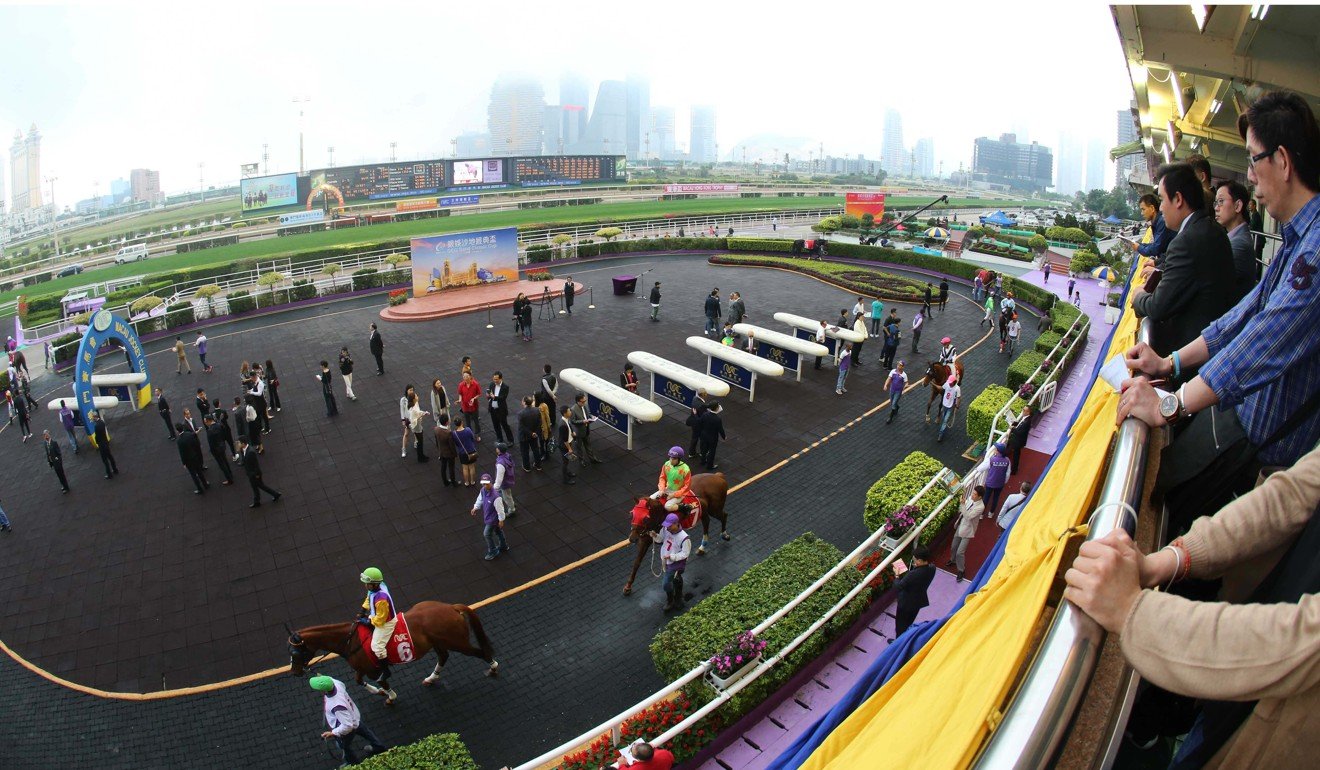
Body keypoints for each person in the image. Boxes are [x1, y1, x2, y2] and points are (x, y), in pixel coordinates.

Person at [1117, 90, 1320, 522]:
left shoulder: (1316, 250)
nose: (1249, 176)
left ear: (1281, 161)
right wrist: (1170, 364)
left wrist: (1169, 404)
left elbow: (1264, 343)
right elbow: (1245, 316)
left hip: (1260, 452)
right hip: (1240, 424)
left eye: (1252, 160)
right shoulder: (1297, 238)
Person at [1062, 446, 1320, 768]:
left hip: (1277, 730)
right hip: (1238, 676)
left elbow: (1306, 639)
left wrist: (1130, 609)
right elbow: (1295, 493)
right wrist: (1166, 561)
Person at [1131, 162, 1239, 356]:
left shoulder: (1186, 242)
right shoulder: (1212, 230)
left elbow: (1157, 307)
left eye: (1162, 200)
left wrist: (1138, 296)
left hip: (1190, 355)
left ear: (1178, 199)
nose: (1161, 208)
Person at [309, 675, 387, 766]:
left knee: (342, 746)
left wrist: (333, 733)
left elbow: (347, 726)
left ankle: (353, 763)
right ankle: (379, 747)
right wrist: (322, 678)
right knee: (365, 731)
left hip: (347, 726)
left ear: (324, 690)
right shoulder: (336, 684)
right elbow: (329, 679)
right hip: (354, 715)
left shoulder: (336, 706)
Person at [1214, 180, 1259, 298]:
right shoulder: (1237, 238)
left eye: (1221, 201)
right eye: (1216, 202)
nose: (1216, 208)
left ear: (1238, 206)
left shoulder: (1239, 245)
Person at [356, 567, 396, 679]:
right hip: (376, 615)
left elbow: (381, 619)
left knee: (377, 647)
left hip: (386, 623)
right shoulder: (375, 588)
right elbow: (368, 598)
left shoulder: (381, 599)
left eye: (367, 584)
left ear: (374, 584)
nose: (365, 586)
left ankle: (386, 670)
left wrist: (367, 621)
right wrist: (362, 611)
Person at [652, 513, 691, 612]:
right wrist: (655, 536)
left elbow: (685, 553)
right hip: (666, 560)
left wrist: (672, 557)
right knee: (675, 579)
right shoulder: (665, 529)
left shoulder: (684, 538)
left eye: (669, 526)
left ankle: (671, 600)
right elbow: (661, 539)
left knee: (666, 584)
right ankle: (678, 595)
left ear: (676, 523)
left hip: (675, 564)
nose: (667, 527)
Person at [894, 544, 936, 635]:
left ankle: (898, 644)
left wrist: (897, 575)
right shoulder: (932, 568)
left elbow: (898, 586)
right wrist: (916, 566)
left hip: (905, 603)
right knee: (908, 623)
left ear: (920, 560)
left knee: (900, 627)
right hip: (918, 602)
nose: (913, 561)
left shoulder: (913, 575)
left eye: (915, 560)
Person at [947, 485, 986, 582]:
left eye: (974, 494)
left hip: (968, 530)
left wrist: (963, 504)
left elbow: (968, 516)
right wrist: (963, 505)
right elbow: (962, 511)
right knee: (953, 546)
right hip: (961, 525)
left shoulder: (980, 507)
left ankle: (961, 570)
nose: (972, 495)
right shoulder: (970, 499)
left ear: (980, 497)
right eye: (972, 493)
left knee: (960, 552)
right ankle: (953, 560)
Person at [471, 473, 509, 560]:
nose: (485, 485)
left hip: (493, 519)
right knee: (498, 531)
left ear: (491, 482)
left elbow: (500, 510)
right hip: (489, 516)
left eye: (486, 483)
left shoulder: (496, 497)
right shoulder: (483, 490)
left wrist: (501, 520)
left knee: (487, 534)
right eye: (483, 484)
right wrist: (475, 507)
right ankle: (503, 546)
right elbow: (480, 499)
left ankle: (493, 551)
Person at [239, 436, 280, 507]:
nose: (238, 444)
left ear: (243, 443)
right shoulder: (244, 450)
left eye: (239, 443)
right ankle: (257, 501)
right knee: (255, 487)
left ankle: (275, 494)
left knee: (260, 486)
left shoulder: (250, 452)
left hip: (254, 474)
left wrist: (256, 474)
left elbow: (256, 464)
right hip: (251, 474)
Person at [1136, 192, 1176, 261]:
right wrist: (1139, 245)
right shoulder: (1157, 222)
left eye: (1143, 209)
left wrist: (1138, 248)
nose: (1142, 213)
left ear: (1152, 208)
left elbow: (1156, 249)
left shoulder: (1162, 222)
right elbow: (1155, 245)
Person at [651, 447, 693, 512]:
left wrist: (674, 495)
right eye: (670, 457)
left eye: (674, 458)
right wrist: (661, 490)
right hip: (667, 489)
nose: (671, 460)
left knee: (668, 506)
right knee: (650, 498)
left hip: (679, 493)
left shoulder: (686, 469)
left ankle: (684, 507)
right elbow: (662, 478)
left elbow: (687, 487)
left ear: (679, 459)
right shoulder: (666, 464)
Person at [176, 422, 210, 494]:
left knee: (193, 475)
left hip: (188, 460)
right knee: (199, 472)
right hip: (195, 456)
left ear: (177, 430)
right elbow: (195, 443)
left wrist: (184, 463)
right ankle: (205, 484)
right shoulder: (189, 434)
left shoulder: (179, 441)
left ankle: (200, 489)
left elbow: (182, 453)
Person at [203, 415, 234, 485]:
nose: (205, 423)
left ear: (208, 421)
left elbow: (211, 444)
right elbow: (224, 434)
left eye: (205, 422)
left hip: (216, 450)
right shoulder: (219, 425)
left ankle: (229, 479)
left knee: (222, 465)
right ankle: (230, 474)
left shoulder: (210, 431)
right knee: (225, 461)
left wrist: (212, 451)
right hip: (222, 445)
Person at [572, 392, 602, 464]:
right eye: (583, 401)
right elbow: (573, 421)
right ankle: (581, 460)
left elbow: (587, 413)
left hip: (586, 430)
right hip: (579, 432)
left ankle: (592, 459)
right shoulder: (573, 409)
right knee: (579, 447)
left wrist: (591, 417)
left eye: (585, 401)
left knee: (588, 445)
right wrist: (583, 421)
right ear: (578, 401)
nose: (584, 403)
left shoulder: (584, 406)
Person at [516, 396, 543, 472]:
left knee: (525, 451)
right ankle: (538, 465)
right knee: (536, 450)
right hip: (534, 435)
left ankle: (527, 467)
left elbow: (522, 427)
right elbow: (539, 423)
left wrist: (530, 433)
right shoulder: (537, 410)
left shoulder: (521, 414)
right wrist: (534, 433)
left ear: (524, 402)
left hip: (524, 436)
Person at [696, 403, 726, 471]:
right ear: (716, 408)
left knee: (704, 449)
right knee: (712, 451)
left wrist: (695, 414)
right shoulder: (718, 419)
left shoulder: (705, 414)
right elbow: (720, 429)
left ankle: (703, 461)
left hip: (704, 435)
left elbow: (699, 421)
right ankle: (710, 465)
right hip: (713, 438)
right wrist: (724, 437)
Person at [983, 442, 1011, 513]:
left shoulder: (992, 459)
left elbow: (981, 468)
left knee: (986, 497)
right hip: (1000, 483)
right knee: (996, 498)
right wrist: (1004, 481)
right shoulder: (1007, 460)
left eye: (995, 449)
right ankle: (991, 513)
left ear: (998, 451)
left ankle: (982, 514)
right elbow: (1008, 473)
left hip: (990, 482)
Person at [451, 416, 479, 487]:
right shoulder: (468, 430)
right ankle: (472, 481)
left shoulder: (454, 433)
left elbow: (456, 443)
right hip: (471, 450)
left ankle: (466, 482)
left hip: (462, 452)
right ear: (462, 422)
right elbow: (472, 438)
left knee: (465, 468)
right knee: (472, 467)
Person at [1005, 404, 1034, 470]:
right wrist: (1015, 424)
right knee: (1016, 455)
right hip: (1019, 441)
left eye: (1024, 410)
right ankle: (1014, 469)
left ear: (1028, 412)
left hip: (1017, 441)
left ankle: (1012, 469)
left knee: (1008, 453)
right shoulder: (1026, 419)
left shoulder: (1026, 421)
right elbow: (1019, 425)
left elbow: (1019, 432)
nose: (1022, 411)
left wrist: (1012, 428)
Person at [486, 371, 512, 443]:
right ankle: (499, 438)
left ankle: (510, 440)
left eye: (496, 379)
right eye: (494, 379)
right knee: (496, 425)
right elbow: (490, 394)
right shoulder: (492, 384)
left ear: (501, 379)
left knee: (505, 425)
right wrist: (488, 396)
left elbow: (503, 398)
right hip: (493, 409)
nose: (495, 381)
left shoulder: (505, 387)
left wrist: (494, 397)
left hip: (501, 410)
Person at [92, 410, 118, 479]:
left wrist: (97, 442)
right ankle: (115, 469)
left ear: (94, 417)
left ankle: (109, 474)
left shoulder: (96, 426)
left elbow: (97, 436)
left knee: (105, 460)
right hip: (106, 442)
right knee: (110, 456)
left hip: (101, 444)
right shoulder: (102, 422)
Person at [493, 442, 517, 517]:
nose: (496, 448)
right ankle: (512, 503)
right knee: (507, 494)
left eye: (497, 447)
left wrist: (494, 488)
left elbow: (499, 479)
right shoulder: (507, 455)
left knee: (506, 496)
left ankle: (511, 509)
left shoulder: (500, 464)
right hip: (508, 479)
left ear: (499, 450)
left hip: (505, 483)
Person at [936, 373, 961, 443]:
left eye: (950, 383)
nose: (949, 384)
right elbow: (941, 388)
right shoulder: (947, 383)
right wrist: (934, 384)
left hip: (950, 407)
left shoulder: (957, 388)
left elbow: (959, 398)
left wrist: (957, 406)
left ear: (954, 382)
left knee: (945, 421)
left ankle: (940, 435)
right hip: (944, 405)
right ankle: (943, 428)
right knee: (944, 418)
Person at [457, 370, 482, 437]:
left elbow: (479, 394)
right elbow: (460, 394)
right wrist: (459, 400)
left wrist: (474, 398)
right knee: (467, 422)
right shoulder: (461, 385)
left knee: (476, 421)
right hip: (465, 407)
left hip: (474, 406)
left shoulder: (475, 384)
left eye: (467, 376)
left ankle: (477, 434)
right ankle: (469, 434)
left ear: (470, 376)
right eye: (464, 376)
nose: (465, 378)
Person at [556, 405, 577, 485]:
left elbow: (569, 426)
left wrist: (572, 432)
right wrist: (569, 449)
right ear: (565, 413)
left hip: (568, 442)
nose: (570, 412)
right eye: (569, 411)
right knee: (565, 462)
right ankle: (565, 479)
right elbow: (564, 439)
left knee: (567, 461)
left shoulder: (566, 420)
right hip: (564, 446)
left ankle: (568, 472)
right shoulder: (562, 425)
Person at [408, 392, 430, 463]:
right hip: (416, 426)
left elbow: (419, 412)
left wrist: (423, 413)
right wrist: (424, 414)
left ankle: (421, 455)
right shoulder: (413, 408)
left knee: (420, 441)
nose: (418, 396)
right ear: (414, 399)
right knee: (420, 442)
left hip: (418, 425)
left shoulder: (416, 403)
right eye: (416, 396)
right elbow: (415, 417)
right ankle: (420, 457)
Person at [686, 388, 708, 456]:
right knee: (703, 439)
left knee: (694, 438)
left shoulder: (694, 398)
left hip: (693, 422)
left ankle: (691, 453)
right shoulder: (702, 405)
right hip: (699, 424)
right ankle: (702, 452)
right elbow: (703, 417)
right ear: (704, 395)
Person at [1249, 197, 1266, 263]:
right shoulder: (1254, 215)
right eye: (1249, 205)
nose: (1249, 206)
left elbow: (1252, 226)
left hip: (1259, 240)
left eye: (1250, 205)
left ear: (1254, 206)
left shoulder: (1256, 215)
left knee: (1257, 259)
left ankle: (1258, 273)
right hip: (1258, 240)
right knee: (1256, 259)